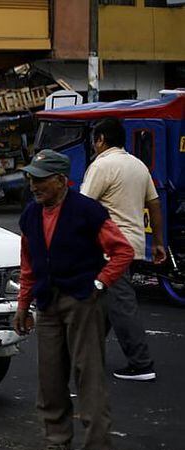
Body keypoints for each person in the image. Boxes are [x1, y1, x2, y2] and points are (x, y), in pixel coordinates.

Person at [12, 149, 134, 450]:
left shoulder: (87, 211)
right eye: (30, 180)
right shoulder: (30, 215)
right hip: (47, 300)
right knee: (50, 374)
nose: (34, 186)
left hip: (82, 300)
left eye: (40, 180)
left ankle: (98, 448)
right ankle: (57, 440)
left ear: (61, 180)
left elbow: (122, 251)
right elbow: (28, 264)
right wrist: (23, 304)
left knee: (87, 371)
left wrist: (99, 284)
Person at [80, 117, 166, 381]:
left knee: (121, 303)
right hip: (134, 243)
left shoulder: (102, 165)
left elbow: (83, 206)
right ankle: (87, 353)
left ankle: (141, 364)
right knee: (102, 300)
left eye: (95, 140)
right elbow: (154, 205)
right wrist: (159, 243)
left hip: (110, 246)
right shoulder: (138, 166)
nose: (94, 146)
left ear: (101, 140)